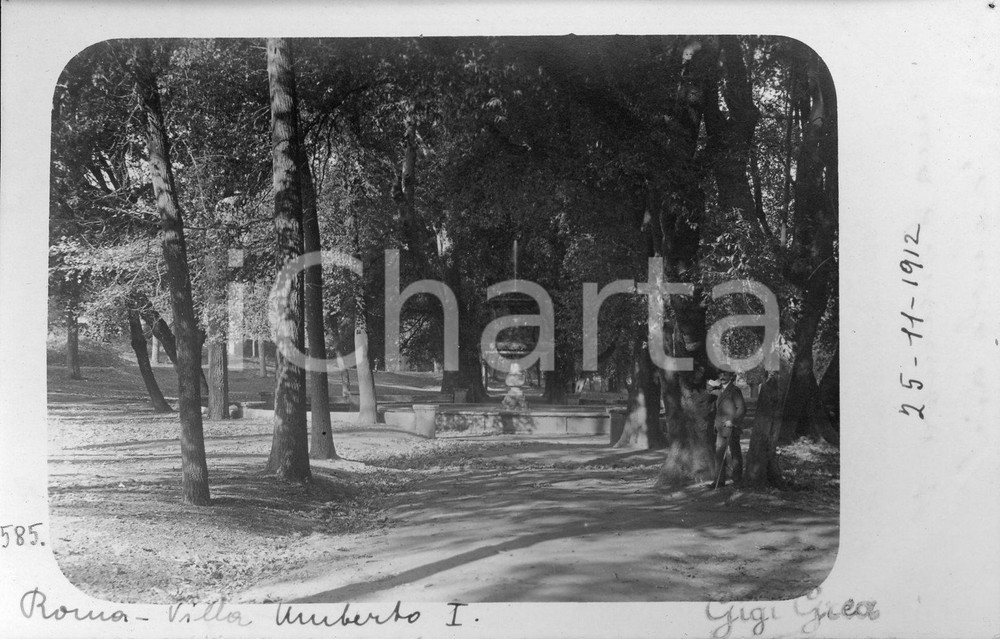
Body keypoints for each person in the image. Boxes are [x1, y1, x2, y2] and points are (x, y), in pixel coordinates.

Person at [712, 370, 746, 488]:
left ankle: (737, 480)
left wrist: (733, 421)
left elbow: (741, 408)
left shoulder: (735, 390)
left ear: (731, 377)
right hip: (720, 428)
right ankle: (719, 481)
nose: (722, 377)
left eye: (725, 375)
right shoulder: (720, 390)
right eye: (720, 374)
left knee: (735, 453)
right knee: (719, 454)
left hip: (731, 427)